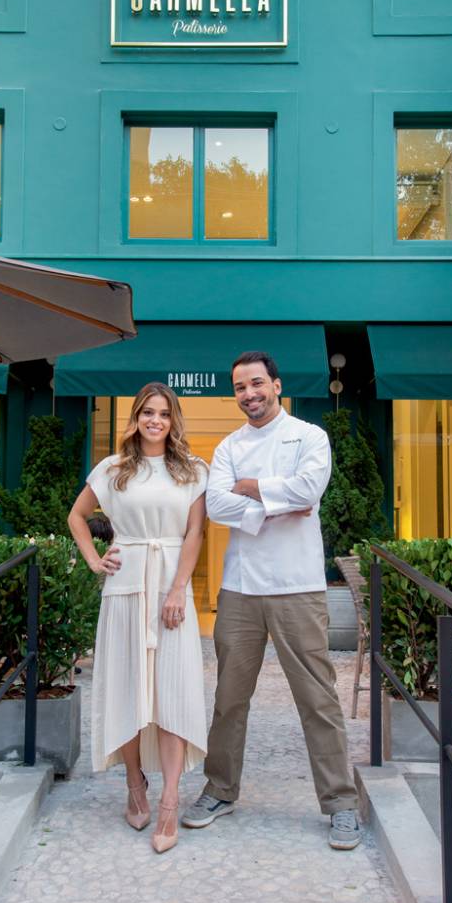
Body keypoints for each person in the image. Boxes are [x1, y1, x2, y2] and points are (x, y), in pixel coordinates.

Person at [182, 351, 361, 850]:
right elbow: (217, 504)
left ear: (277, 386)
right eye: (240, 387)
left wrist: (252, 489)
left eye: (257, 383)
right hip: (240, 590)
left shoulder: (310, 437)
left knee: (318, 700)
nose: (249, 394)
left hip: (299, 587)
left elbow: (309, 489)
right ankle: (219, 790)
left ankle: (341, 804)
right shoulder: (228, 445)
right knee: (228, 701)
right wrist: (275, 507)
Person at [68, 382, 208, 854]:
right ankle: (134, 782)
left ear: (173, 420)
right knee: (127, 687)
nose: (155, 420)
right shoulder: (112, 469)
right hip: (125, 588)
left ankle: (169, 800)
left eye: (163, 414)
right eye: (147, 412)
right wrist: (93, 560)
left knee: (171, 690)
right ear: (135, 417)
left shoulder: (191, 470)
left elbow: (194, 534)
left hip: (171, 588)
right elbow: (76, 516)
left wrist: (177, 590)